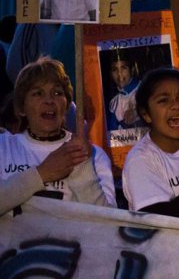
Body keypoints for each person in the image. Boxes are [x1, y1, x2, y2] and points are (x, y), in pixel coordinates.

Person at [0, 57, 115, 215]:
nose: (49, 100)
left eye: (57, 93)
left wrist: (82, 168)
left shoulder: (94, 155)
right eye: (38, 93)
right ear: (21, 108)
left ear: (67, 105)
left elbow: (108, 223)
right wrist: (41, 174)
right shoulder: (3, 147)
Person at [122, 68, 179, 221]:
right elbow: (161, 221)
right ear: (146, 114)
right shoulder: (140, 160)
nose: (176, 106)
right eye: (164, 100)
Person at [106, 51, 143, 132]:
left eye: (123, 67)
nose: (119, 74)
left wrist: (138, 113)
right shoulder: (113, 104)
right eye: (115, 69)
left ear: (132, 69)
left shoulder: (146, 89)